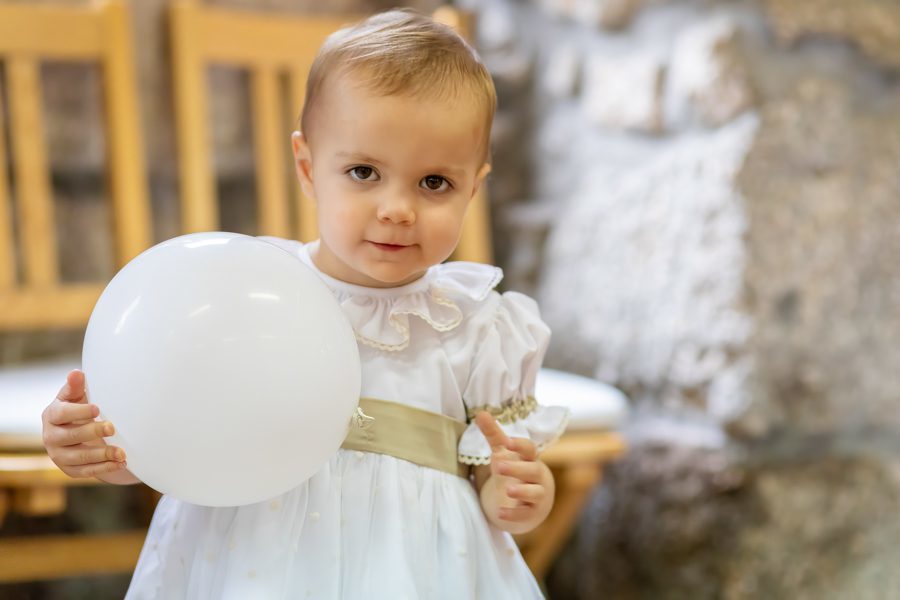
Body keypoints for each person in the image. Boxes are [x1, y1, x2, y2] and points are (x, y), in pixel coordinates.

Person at [40, 9, 568, 599]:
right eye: (364, 171)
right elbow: (176, 435)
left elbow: (493, 481)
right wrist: (100, 447)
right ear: (309, 167)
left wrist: (519, 494)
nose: (397, 208)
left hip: (414, 567)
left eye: (434, 183)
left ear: (474, 186)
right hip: (254, 558)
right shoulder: (247, 293)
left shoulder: (477, 325)